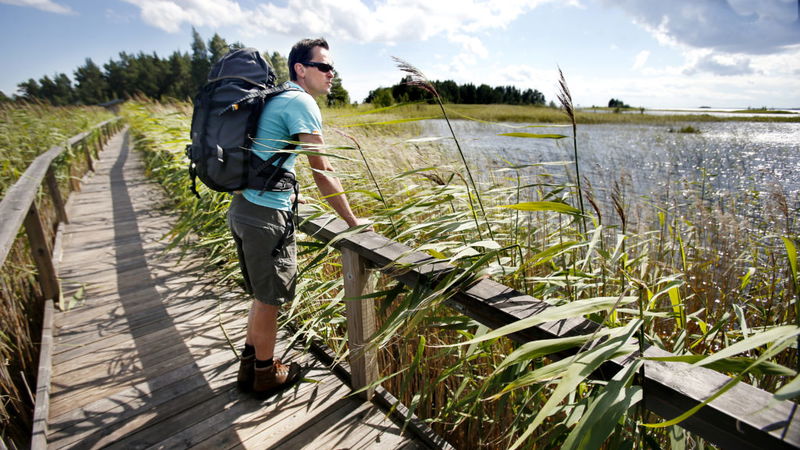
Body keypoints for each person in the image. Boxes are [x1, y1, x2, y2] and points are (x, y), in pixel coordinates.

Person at [228, 37, 369, 397]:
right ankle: (265, 374)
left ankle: (249, 367)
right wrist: (353, 222)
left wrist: (287, 189)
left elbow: (268, 158)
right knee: (269, 300)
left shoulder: (274, 98)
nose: (331, 73)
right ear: (301, 70)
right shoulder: (301, 102)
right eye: (324, 66)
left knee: (260, 297)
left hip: (243, 208)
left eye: (332, 67)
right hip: (264, 218)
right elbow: (322, 170)